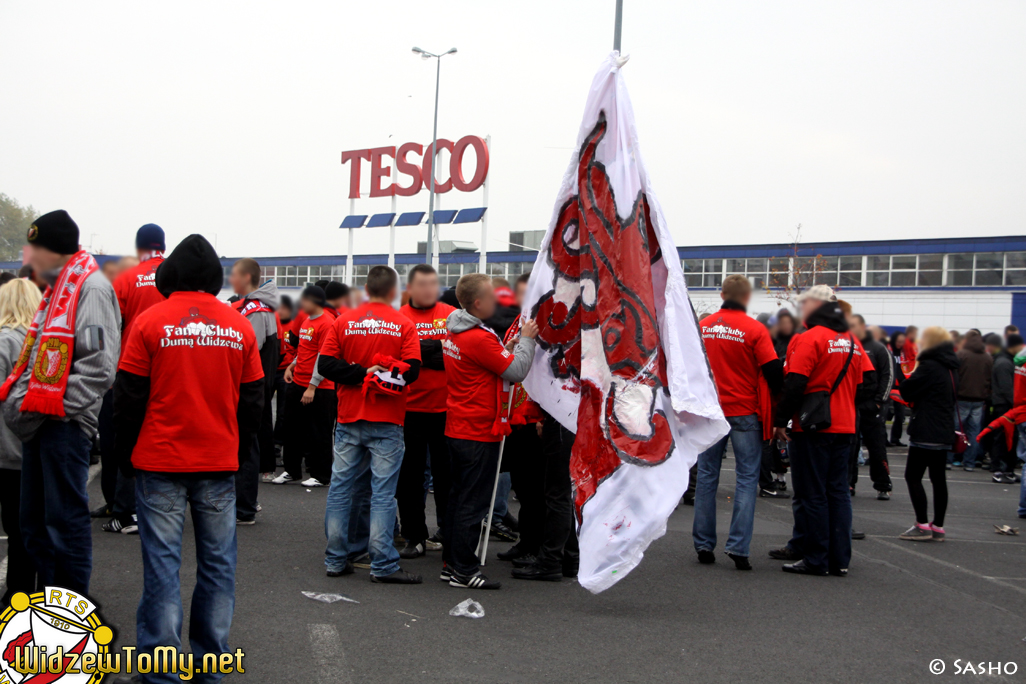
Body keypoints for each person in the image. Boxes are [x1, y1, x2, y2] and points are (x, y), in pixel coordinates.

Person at [114, 234, 264, 680]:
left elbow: (128, 398)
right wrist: (234, 448)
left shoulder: (148, 322)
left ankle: (160, 668)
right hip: (218, 462)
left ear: (169, 275)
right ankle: (209, 663)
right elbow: (254, 398)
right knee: (218, 566)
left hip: (159, 461)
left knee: (162, 566)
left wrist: (125, 458)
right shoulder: (237, 325)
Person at [0, 210, 121, 595]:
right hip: (41, 426)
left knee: (64, 528)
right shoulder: (57, 290)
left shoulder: (92, 288)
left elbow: (99, 368)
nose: (27, 257)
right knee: (34, 526)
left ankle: (67, 622)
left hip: (63, 427)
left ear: (53, 251)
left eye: (33, 248)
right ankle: (43, 615)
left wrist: (43, 407)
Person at [318, 265, 422, 583]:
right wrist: (379, 374)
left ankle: (336, 558)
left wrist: (362, 373)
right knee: (382, 494)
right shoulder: (403, 324)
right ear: (394, 292)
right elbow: (413, 371)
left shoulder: (343, 320)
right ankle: (383, 564)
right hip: (388, 419)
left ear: (366, 288)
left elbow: (326, 365)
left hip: (349, 416)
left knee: (340, 490)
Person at [442, 273, 538, 589]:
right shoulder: (478, 337)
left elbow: (490, 361)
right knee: (473, 503)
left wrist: (506, 346)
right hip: (478, 429)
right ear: (478, 303)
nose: (499, 301)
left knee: (458, 498)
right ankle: (464, 570)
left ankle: (452, 564)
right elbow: (517, 370)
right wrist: (526, 340)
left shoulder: (458, 329)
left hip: (460, 425)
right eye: (493, 296)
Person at [770, 285, 868, 576]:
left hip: (813, 426)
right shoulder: (851, 340)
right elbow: (867, 384)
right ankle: (839, 560)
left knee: (812, 494)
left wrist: (779, 421)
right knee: (838, 492)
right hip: (845, 424)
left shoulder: (809, 338)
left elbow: (795, 384)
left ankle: (816, 558)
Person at [691, 275, 782, 570]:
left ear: (721, 294)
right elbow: (773, 373)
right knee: (746, 479)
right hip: (745, 411)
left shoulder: (703, 327)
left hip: (711, 411)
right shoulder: (754, 329)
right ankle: (739, 547)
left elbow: (690, 367)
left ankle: (704, 544)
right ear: (746, 298)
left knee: (706, 477)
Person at [101, 223, 169, 534]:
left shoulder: (126, 278)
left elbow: (113, 326)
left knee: (126, 437)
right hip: (170, 370)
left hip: (132, 370)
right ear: (163, 246)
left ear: (139, 247)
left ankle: (125, 511)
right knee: (165, 436)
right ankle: (163, 509)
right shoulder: (175, 275)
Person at [396, 264, 455, 559]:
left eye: (433, 283)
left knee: (447, 477)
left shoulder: (451, 315)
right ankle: (414, 535)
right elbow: (400, 361)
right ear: (410, 288)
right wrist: (433, 350)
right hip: (408, 409)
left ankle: (447, 530)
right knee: (410, 478)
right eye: (422, 284)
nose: (429, 289)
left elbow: (455, 357)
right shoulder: (399, 318)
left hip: (446, 409)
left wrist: (420, 351)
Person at [497, 272, 546, 569]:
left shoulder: (545, 324)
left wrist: (541, 414)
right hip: (514, 414)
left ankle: (538, 544)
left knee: (536, 487)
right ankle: (526, 540)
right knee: (522, 485)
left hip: (533, 415)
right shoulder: (519, 321)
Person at [0, 279, 43, 604]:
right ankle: (27, 592)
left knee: (14, 528)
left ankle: (15, 595)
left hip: (5, 448)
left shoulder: (3, 342)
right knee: (28, 529)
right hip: (34, 446)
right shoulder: (43, 343)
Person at [229, 258, 281, 522]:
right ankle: (245, 502)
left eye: (234, 275)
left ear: (247, 277)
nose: (230, 279)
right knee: (248, 444)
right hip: (257, 386)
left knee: (246, 446)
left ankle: (245, 505)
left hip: (250, 387)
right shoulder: (258, 307)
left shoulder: (256, 310)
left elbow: (245, 351)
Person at [896, 327, 958, 541]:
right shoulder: (951, 367)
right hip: (944, 428)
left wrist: (911, 376)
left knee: (912, 476)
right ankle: (938, 525)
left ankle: (922, 523)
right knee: (938, 479)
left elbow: (907, 389)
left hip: (925, 428)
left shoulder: (929, 366)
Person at [274, 286, 336, 487]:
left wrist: (312, 386)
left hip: (320, 387)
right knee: (291, 428)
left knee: (319, 432)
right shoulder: (306, 320)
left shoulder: (328, 322)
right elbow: (304, 349)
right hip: (298, 381)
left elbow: (323, 356)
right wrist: (292, 365)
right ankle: (291, 471)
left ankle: (321, 475)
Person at [850, 314, 893, 499]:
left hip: (873, 407)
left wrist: (879, 401)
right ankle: (848, 484)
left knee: (877, 448)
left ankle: (883, 485)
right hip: (852, 406)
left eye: (853, 325)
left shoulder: (878, 348)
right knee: (850, 448)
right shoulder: (847, 345)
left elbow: (888, 376)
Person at [985, 333, 1023, 483]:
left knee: (1008, 439)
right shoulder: (1004, 363)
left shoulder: (1005, 361)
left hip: (1005, 406)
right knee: (1003, 439)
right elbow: (1007, 389)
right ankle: (1000, 470)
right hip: (1005, 407)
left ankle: (1007, 470)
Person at [952, 329, 992, 470]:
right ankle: (969, 463)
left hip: (961, 397)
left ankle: (950, 459)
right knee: (974, 432)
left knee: (956, 429)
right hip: (979, 400)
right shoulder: (988, 357)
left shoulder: (961, 355)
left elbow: (954, 376)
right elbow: (990, 379)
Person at [273, 295, 295, 451]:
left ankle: (278, 442)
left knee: (282, 411)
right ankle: (266, 442)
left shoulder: (295, 326)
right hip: (269, 371)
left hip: (286, 373)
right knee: (264, 409)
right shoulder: (272, 325)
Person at [886, 331, 908, 446]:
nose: (900, 344)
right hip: (890, 385)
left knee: (900, 414)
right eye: (899, 342)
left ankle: (895, 438)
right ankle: (883, 439)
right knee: (885, 413)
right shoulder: (888, 350)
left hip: (901, 386)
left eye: (902, 342)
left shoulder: (904, 353)